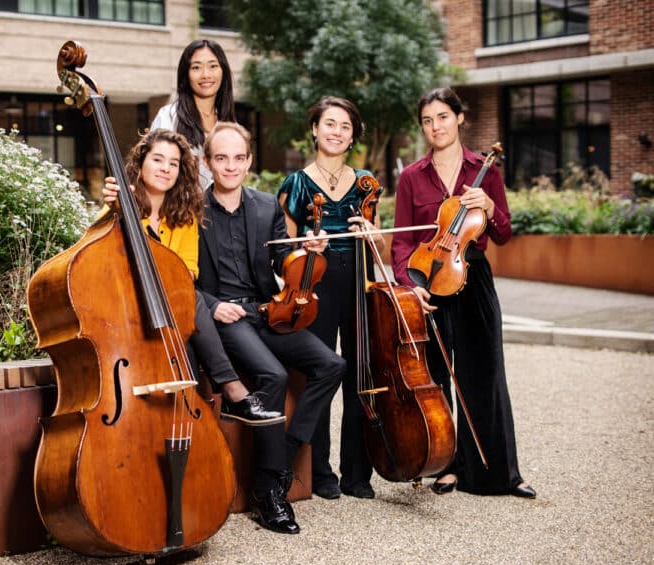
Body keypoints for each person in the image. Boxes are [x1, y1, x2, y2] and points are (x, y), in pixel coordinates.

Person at [197, 121, 346, 534]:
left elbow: (283, 265)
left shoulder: (265, 206)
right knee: (274, 375)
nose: (231, 166)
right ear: (208, 163)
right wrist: (212, 305)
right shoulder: (191, 211)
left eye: (239, 158)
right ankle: (269, 491)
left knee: (332, 364)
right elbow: (181, 278)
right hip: (225, 318)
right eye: (221, 158)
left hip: (267, 311)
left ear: (249, 161)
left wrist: (307, 252)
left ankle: (284, 453)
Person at [391, 87, 536, 499]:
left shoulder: (484, 169)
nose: (435, 126)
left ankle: (500, 475)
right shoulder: (411, 177)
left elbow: (504, 234)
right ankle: (446, 465)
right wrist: (410, 285)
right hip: (429, 283)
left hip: (473, 278)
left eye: (442, 117)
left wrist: (489, 207)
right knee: (437, 377)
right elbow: (401, 243)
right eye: (427, 120)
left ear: (459, 118)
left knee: (485, 375)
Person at [101, 128, 283, 426]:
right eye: (158, 160)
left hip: (173, 310)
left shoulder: (183, 217)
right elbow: (101, 263)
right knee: (191, 297)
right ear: (140, 164)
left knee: (186, 302)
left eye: (173, 163)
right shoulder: (117, 207)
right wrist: (113, 213)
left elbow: (187, 272)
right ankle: (232, 389)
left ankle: (199, 421)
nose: (165, 168)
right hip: (128, 309)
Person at [277, 96, 385, 501]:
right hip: (314, 287)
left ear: (353, 135)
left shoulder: (366, 183)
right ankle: (320, 471)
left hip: (359, 281)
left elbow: (381, 248)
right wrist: (304, 245)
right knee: (319, 376)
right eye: (330, 124)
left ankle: (357, 473)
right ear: (315, 129)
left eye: (345, 126)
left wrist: (371, 235)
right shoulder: (296, 184)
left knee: (361, 375)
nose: (336, 132)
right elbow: (283, 250)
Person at [151, 39, 236, 188]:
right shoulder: (169, 117)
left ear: (223, 71)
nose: (206, 75)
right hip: (178, 209)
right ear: (186, 74)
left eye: (213, 66)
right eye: (196, 67)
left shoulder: (229, 124)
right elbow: (153, 170)